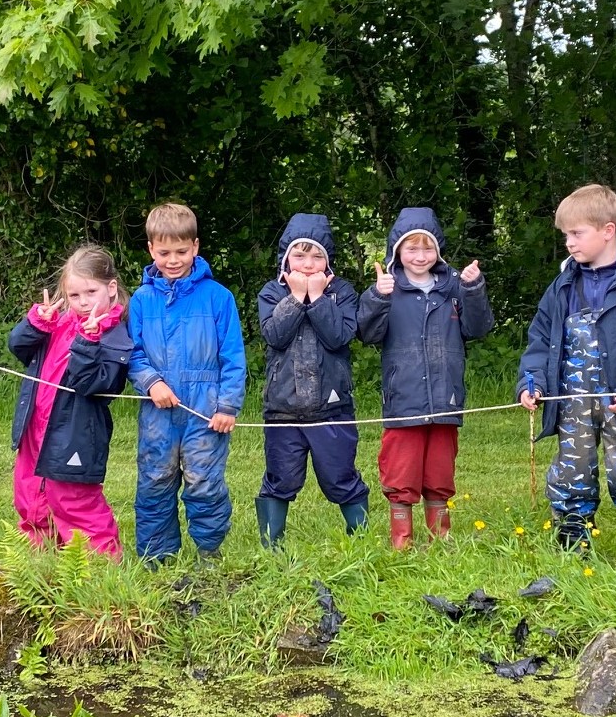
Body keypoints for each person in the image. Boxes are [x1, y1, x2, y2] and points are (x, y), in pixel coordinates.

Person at [517, 184, 616, 568]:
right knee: (572, 475)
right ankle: (574, 552)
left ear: (608, 231)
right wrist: (532, 382)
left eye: (577, 234)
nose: (569, 243)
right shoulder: (562, 286)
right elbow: (540, 339)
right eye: (566, 236)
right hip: (572, 403)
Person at [358, 207, 494, 548]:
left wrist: (474, 288)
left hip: (446, 396)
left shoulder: (454, 288)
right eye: (411, 248)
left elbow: (478, 328)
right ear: (396, 252)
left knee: (440, 471)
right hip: (403, 397)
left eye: (428, 248)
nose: (420, 256)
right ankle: (401, 539)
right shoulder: (387, 288)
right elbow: (368, 334)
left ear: (439, 250)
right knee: (401, 470)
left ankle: (440, 538)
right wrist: (377, 297)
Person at [128, 203, 247, 563]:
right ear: (151, 250)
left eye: (181, 251)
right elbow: (132, 353)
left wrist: (228, 405)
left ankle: (209, 551)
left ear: (195, 247)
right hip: (158, 411)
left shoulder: (218, 298)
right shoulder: (140, 300)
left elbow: (233, 357)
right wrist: (151, 382)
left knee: (204, 481)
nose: (173, 259)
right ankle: (157, 556)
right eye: (164, 252)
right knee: (154, 480)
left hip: (205, 409)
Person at [8, 243, 132, 556]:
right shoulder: (59, 323)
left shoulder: (114, 335)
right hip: (35, 428)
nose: (82, 302)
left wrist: (89, 342)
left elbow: (94, 383)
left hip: (76, 433)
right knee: (31, 495)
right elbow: (18, 348)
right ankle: (42, 563)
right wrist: (37, 323)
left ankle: (100, 568)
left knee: (74, 501)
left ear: (111, 288)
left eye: (91, 292)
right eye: (74, 295)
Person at [255, 213, 370, 544]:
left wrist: (317, 298)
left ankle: (361, 541)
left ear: (328, 259)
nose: (308, 264)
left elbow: (339, 337)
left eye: (317, 255)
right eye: (300, 255)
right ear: (286, 258)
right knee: (281, 477)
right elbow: (274, 335)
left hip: (332, 408)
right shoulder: (272, 293)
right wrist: (295, 298)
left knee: (340, 476)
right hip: (282, 409)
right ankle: (271, 545)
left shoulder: (342, 293)